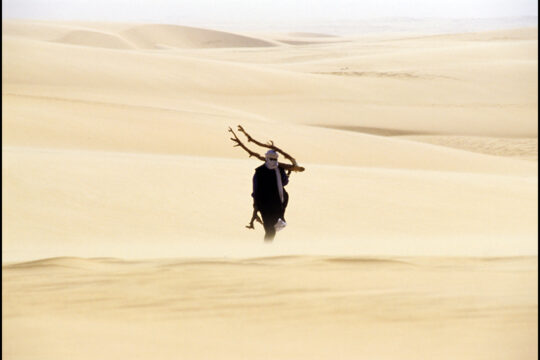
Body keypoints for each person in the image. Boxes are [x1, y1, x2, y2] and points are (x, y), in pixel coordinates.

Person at [252, 150, 289, 241]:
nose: (273, 161)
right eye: (271, 159)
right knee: (270, 229)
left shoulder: (259, 171)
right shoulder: (278, 170)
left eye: (274, 159)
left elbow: (255, 189)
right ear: (267, 158)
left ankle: (267, 247)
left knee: (271, 229)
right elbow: (285, 182)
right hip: (266, 204)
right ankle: (267, 248)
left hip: (274, 204)